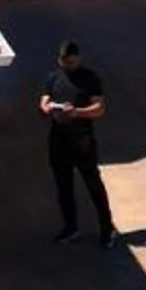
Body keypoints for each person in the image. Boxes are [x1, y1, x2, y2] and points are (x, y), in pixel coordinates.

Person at [39, 40, 117, 248]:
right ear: (60, 60)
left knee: (93, 185)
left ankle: (107, 228)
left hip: (82, 140)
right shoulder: (53, 77)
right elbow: (44, 99)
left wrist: (77, 112)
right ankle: (70, 227)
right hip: (58, 139)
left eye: (73, 62)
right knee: (63, 187)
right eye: (66, 62)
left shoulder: (89, 78)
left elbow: (99, 108)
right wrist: (46, 106)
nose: (69, 65)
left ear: (79, 59)